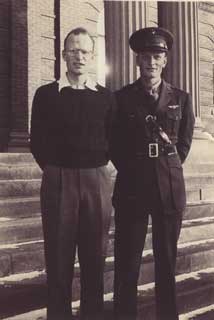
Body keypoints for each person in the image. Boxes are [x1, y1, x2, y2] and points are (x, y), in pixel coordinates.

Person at [30, 27, 116, 320]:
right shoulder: (45, 94)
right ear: (63, 54)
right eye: (73, 50)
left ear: (92, 56)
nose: (79, 56)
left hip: (96, 181)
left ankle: (92, 314)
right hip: (58, 179)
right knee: (58, 257)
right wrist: (58, 170)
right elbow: (37, 141)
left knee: (95, 257)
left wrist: (95, 170)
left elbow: (113, 139)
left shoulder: (106, 97)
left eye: (84, 51)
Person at [110, 27, 195, 320]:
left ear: (165, 60)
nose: (151, 62)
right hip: (132, 187)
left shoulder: (181, 99)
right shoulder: (121, 98)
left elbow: (182, 144)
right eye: (145, 56)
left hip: (168, 188)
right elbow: (115, 144)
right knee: (127, 263)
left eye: (157, 56)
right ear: (137, 60)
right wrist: (137, 167)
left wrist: (164, 167)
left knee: (167, 263)